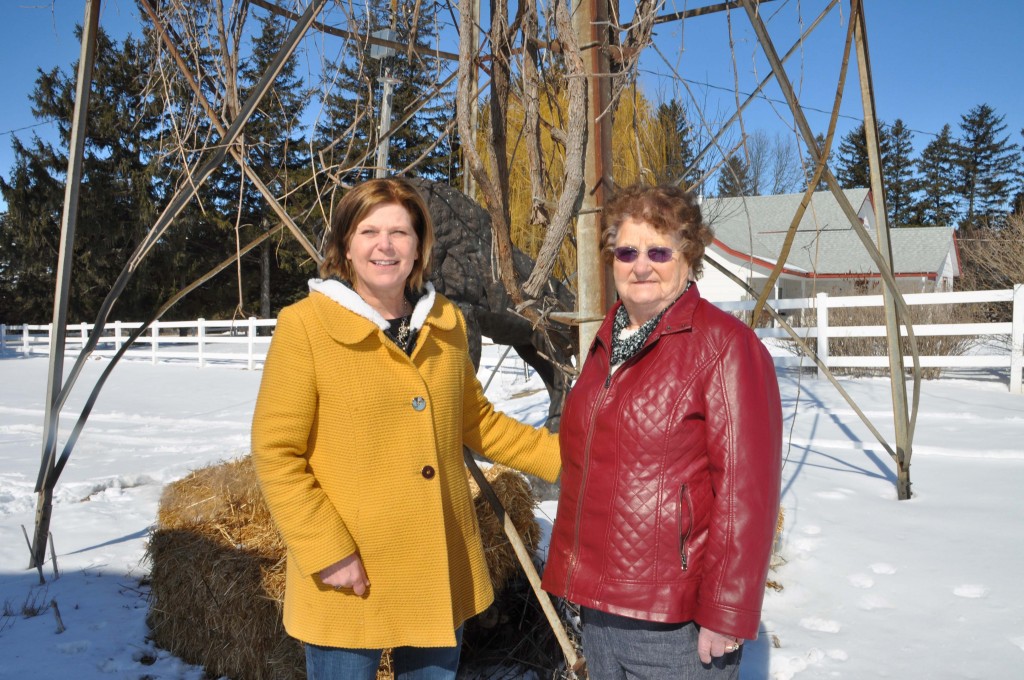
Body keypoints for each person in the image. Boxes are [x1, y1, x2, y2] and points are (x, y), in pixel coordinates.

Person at [250, 177, 561, 680]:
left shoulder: (446, 323)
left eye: (400, 232)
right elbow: (276, 452)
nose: (385, 245)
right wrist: (328, 551)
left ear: (419, 247)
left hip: (436, 566)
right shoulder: (305, 326)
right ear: (346, 246)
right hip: (350, 573)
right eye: (369, 231)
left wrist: (574, 458)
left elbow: (477, 423)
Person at [541, 183, 782, 679]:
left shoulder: (724, 345)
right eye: (627, 251)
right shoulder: (610, 338)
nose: (640, 265)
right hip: (600, 607)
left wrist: (726, 611)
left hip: (676, 620)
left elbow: (747, 492)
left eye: (658, 251)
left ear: (688, 258)